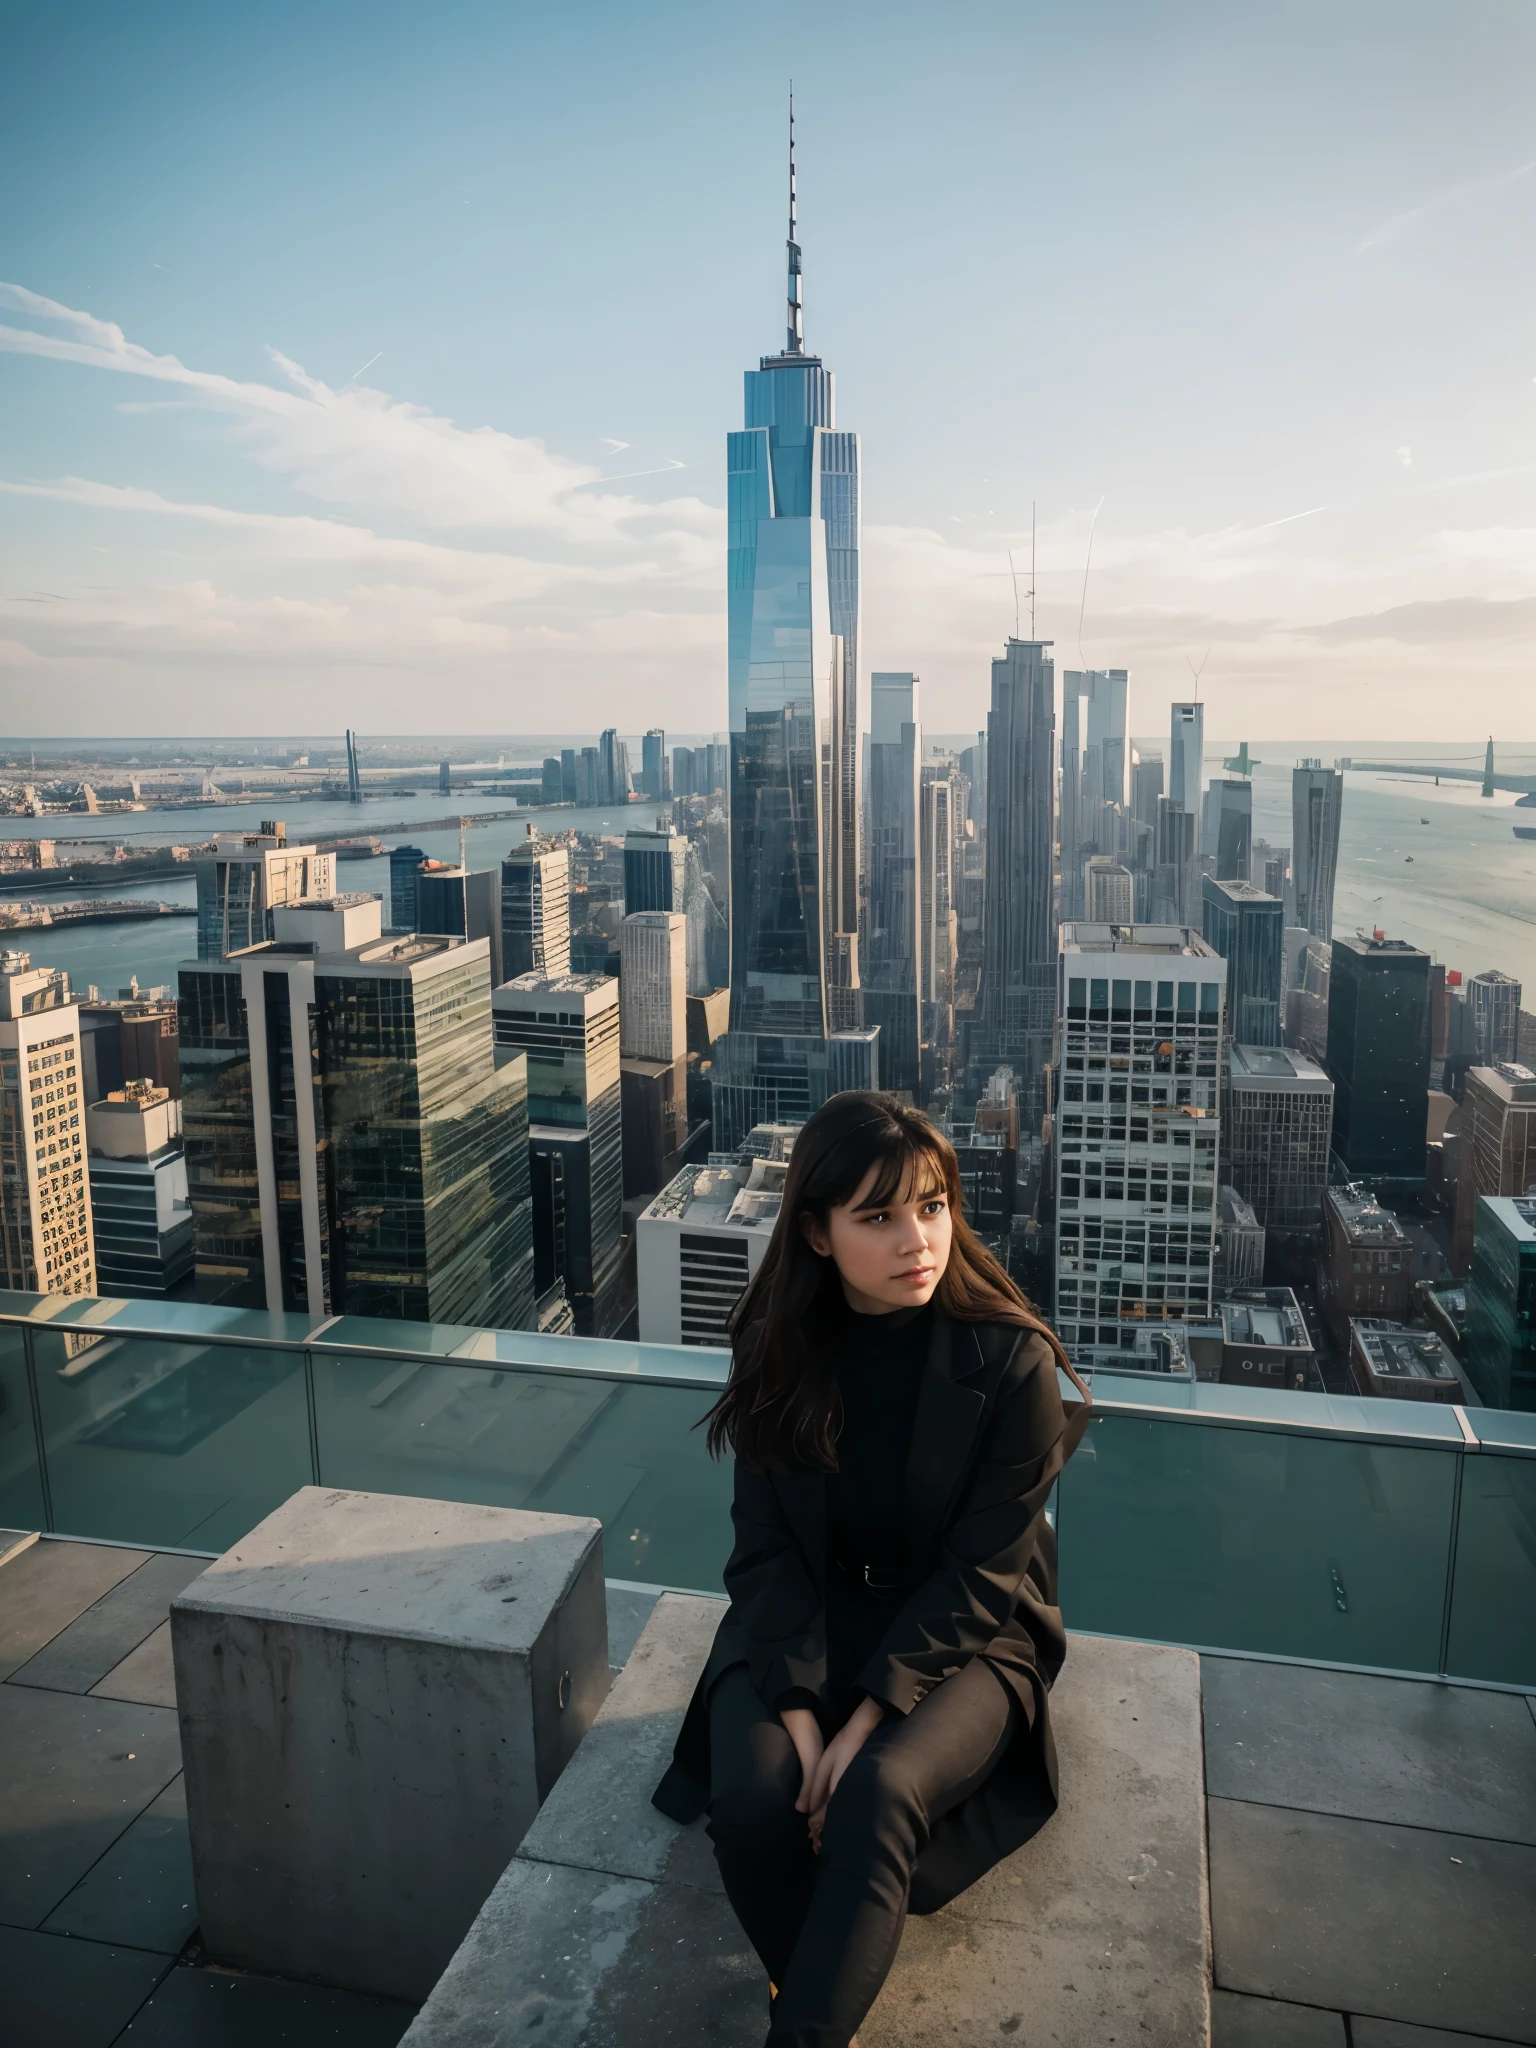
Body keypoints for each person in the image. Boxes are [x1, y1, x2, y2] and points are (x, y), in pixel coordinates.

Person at [652, 1091, 1090, 2048]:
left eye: (932, 1206)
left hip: (967, 1636)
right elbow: (763, 1550)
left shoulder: (1010, 1359)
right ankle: (810, 1992)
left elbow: (983, 1575)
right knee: (760, 1801)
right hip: (802, 1614)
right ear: (816, 1232)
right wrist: (804, 1715)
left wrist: (866, 1721)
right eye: (880, 1216)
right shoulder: (775, 1348)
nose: (917, 1240)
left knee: (877, 1792)